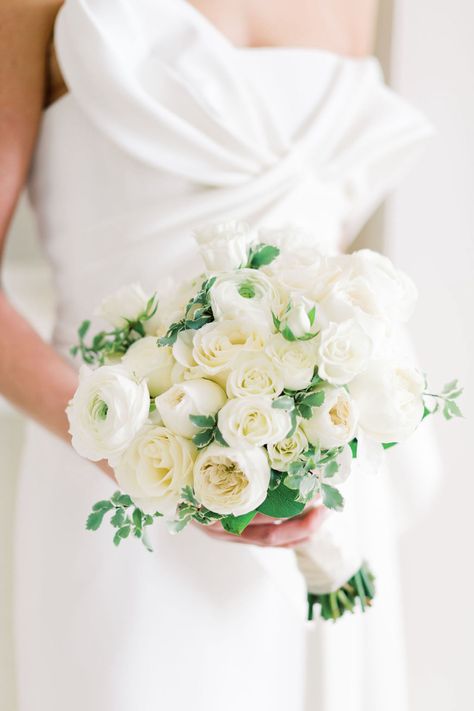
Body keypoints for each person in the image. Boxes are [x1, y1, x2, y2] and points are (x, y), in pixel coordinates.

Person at [0, 1, 433, 709]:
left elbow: (324, 251)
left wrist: (315, 413)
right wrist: (139, 455)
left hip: (321, 490)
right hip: (113, 491)